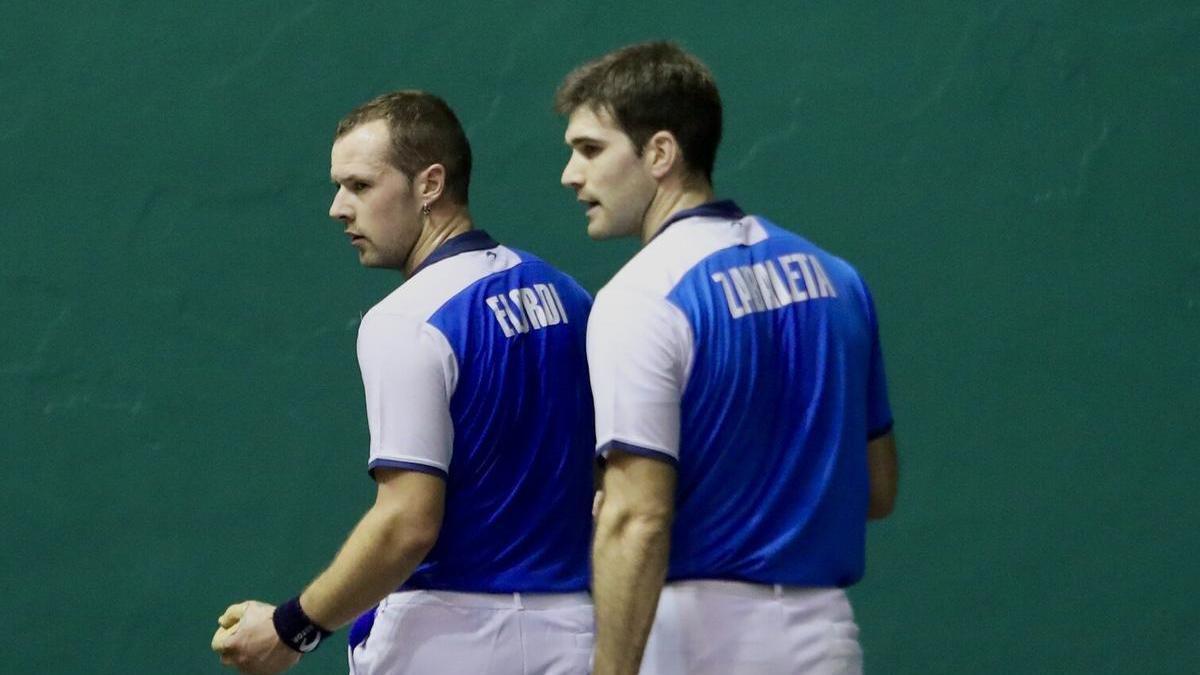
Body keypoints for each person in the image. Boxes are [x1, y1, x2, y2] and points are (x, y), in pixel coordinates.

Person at [211, 90, 596, 675]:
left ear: (430, 184)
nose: (339, 208)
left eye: (361, 186)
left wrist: (290, 628)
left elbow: (407, 523)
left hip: (448, 643)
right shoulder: (567, 295)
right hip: (576, 635)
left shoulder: (405, 320)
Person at [556, 42, 899, 675]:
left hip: (696, 643)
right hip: (825, 638)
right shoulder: (839, 279)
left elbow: (638, 518)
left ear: (660, 153)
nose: (571, 175)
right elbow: (877, 489)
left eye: (591, 149)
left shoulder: (641, 297)